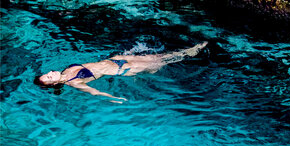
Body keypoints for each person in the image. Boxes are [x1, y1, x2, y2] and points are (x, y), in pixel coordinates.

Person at [34, 41, 208, 103]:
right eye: (49, 77)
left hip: (117, 60)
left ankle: (191, 51)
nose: (50, 72)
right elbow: (94, 92)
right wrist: (113, 98)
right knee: (161, 61)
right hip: (123, 69)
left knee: (158, 56)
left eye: (47, 73)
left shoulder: (67, 70)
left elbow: (95, 64)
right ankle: (194, 51)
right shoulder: (74, 82)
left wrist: (119, 56)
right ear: (54, 83)